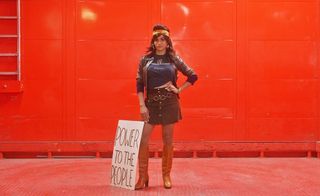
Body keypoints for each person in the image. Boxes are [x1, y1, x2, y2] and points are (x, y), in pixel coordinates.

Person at [135, 24, 198, 190]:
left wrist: (178, 89)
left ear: (168, 42)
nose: (159, 43)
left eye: (162, 39)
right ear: (153, 41)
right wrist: (142, 105)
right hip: (151, 103)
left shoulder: (174, 59)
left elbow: (193, 76)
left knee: (168, 141)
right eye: (156, 39)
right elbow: (139, 84)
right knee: (142, 140)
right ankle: (143, 176)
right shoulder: (145, 60)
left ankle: (166, 175)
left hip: (170, 103)